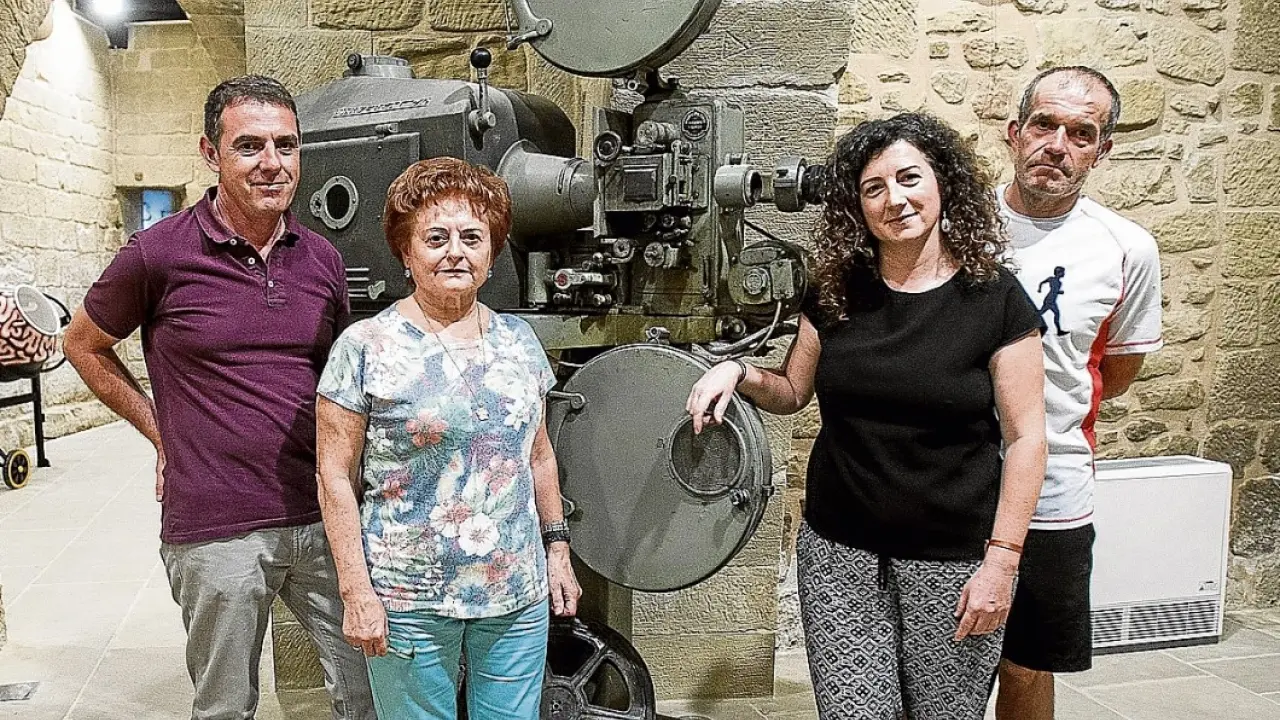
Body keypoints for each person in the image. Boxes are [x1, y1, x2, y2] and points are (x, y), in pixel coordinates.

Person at [687, 113, 1047, 719]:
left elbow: (1027, 438)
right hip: (840, 554)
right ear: (856, 206)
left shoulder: (995, 298)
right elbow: (792, 390)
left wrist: (1002, 562)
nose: (894, 199)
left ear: (943, 182)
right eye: (873, 188)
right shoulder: (836, 290)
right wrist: (738, 372)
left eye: (909, 178)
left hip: (952, 558)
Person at [62, 76, 375, 720]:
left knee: (370, 691)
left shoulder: (322, 258)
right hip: (216, 526)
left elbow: (338, 380)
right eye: (249, 146)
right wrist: (161, 432)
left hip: (323, 517)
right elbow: (83, 345)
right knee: (226, 707)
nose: (272, 163)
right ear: (211, 153)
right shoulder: (157, 254)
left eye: (286, 145)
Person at [315, 157, 582, 720]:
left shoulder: (520, 341)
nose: (455, 252)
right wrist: (355, 591)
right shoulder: (365, 347)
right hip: (408, 596)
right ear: (406, 252)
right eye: (436, 238)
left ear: (492, 253)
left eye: (472, 238)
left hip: (514, 592)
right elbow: (334, 477)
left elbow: (538, 456)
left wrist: (557, 549)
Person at [995, 67, 1164, 720]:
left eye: (1081, 133)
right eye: (1044, 124)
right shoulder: (955, 224)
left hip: (1055, 488)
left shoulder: (1127, 249)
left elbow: (1113, 375)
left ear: (1102, 150)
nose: (1057, 145)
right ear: (1015, 132)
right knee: (940, 661)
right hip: (950, 479)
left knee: (1027, 664)